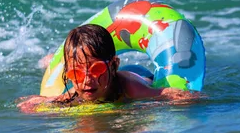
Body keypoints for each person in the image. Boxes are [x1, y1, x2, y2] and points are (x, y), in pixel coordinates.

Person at [17, 24, 199, 113]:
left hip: (139, 75)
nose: (88, 79)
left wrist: (186, 98)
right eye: (77, 72)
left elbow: (165, 94)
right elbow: (52, 100)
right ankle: (51, 62)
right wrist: (34, 103)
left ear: (113, 65)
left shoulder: (129, 88)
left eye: (95, 69)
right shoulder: (78, 89)